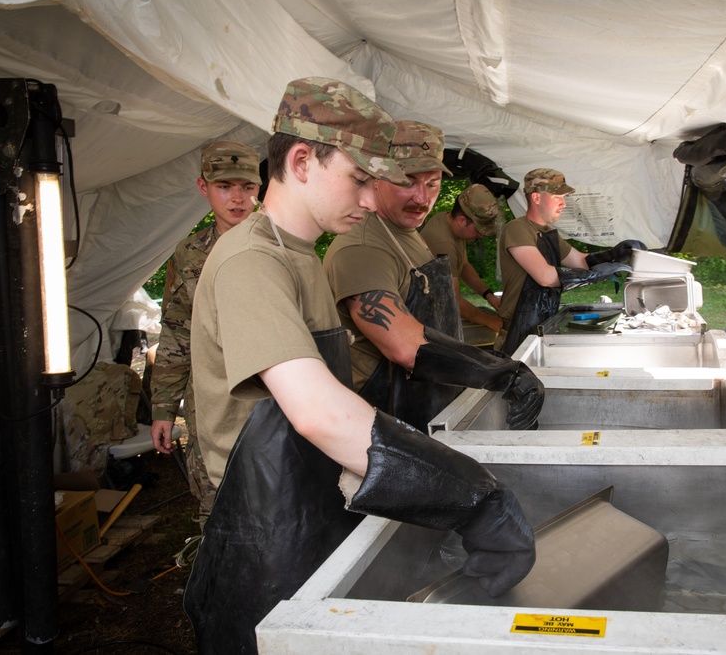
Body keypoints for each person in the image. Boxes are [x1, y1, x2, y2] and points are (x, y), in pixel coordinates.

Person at [183, 78, 536, 655]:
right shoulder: (253, 260)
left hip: (308, 496)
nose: (373, 201)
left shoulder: (299, 254)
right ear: (301, 160)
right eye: (360, 179)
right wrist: (471, 495)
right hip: (263, 524)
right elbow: (319, 413)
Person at [324, 121, 544, 432]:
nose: (421, 197)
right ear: (376, 177)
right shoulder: (362, 248)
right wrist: (503, 372)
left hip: (428, 408)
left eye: (432, 183)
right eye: (407, 180)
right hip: (384, 427)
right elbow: (404, 346)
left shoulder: (406, 231)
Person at [149, 140, 260, 518]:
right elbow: (177, 331)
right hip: (211, 399)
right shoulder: (190, 254)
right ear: (203, 188)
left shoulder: (281, 247)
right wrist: (164, 408)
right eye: (224, 187)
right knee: (215, 503)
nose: (237, 199)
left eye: (247, 187)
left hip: (272, 397)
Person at [496, 168, 646, 354]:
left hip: (541, 322)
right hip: (516, 329)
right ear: (536, 198)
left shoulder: (547, 232)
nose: (563, 204)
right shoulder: (517, 229)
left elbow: (580, 261)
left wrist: (612, 254)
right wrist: (593, 276)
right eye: (557, 197)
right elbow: (545, 277)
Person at [420, 183, 503, 333]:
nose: (482, 235)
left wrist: (487, 294)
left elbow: (463, 266)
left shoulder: (448, 222)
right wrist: (491, 321)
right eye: (478, 230)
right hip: (427, 319)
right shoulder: (442, 243)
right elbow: (453, 302)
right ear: (461, 220)